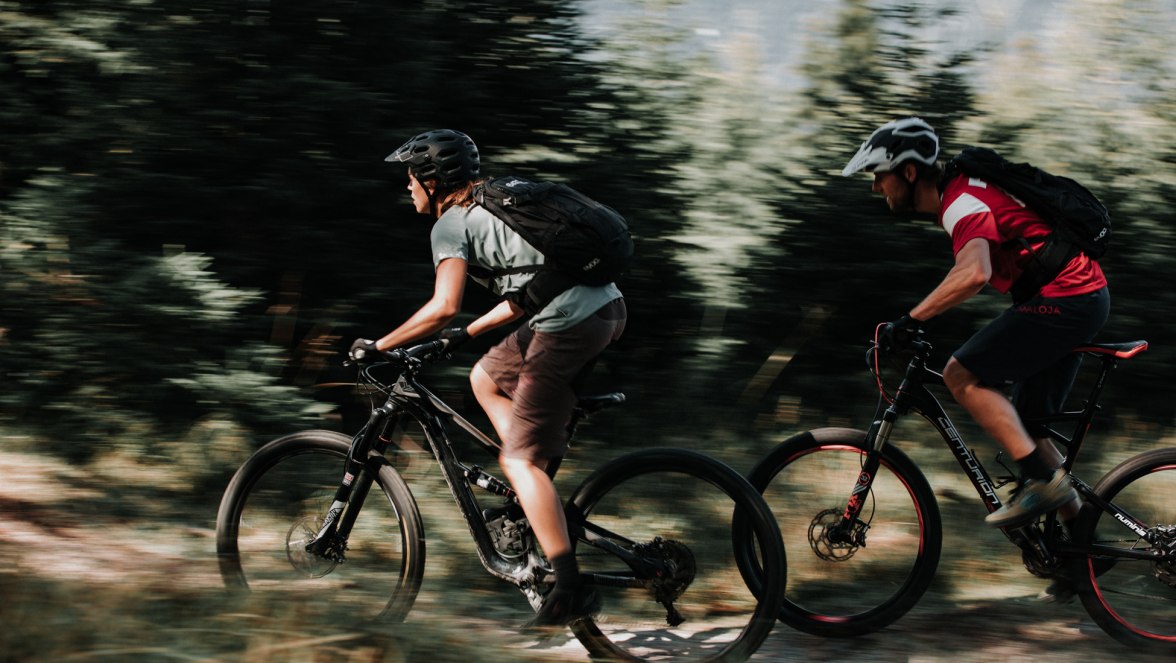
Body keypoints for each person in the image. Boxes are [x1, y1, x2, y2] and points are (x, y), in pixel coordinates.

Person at [351, 129, 626, 626]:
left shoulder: (451, 224)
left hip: (570, 323)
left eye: (412, 177)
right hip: (600, 307)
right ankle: (531, 485)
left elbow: (441, 305)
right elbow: (532, 288)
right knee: (485, 378)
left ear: (433, 181)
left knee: (518, 457)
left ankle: (568, 586)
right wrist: (463, 336)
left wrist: (379, 345)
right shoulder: (495, 204)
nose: (408, 187)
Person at [842, 117, 1110, 534]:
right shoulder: (963, 191)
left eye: (879, 175)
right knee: (1028, 428)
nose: (876, 186)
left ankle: (1043, 484)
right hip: (1076, 296)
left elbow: (973, 274)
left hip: (1068, 297)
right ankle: (1080, 555)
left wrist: (910, 320)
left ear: (909, 171)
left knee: (960, 374)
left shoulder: (960, 201)